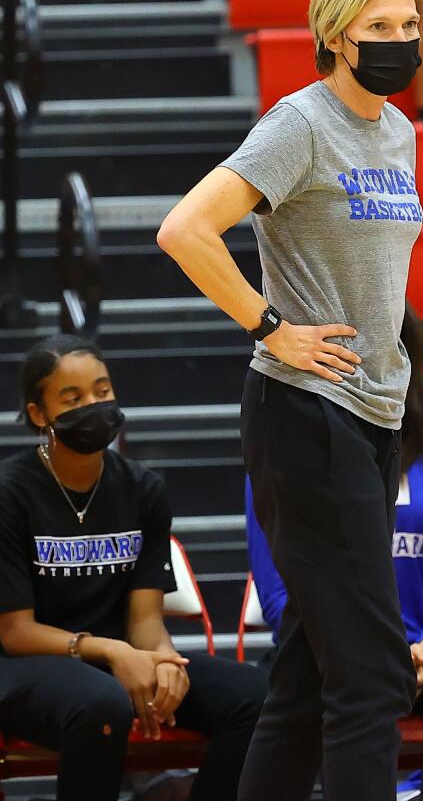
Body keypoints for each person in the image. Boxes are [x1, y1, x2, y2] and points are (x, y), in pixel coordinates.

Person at [157, 0, 422, 801]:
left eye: (410, 26)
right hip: (305, 411)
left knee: (311, 672)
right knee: (374, 674)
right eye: (380, 28)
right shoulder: (299, 123)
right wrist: (272, 326)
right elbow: (186, 228)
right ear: (335, 35)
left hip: (376, 413)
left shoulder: (399, 131)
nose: (399, 41)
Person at [246, 303, 423, 801]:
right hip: (327, 641)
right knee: (307, 685)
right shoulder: (290, 444)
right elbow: (277, 588)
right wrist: (364, 646)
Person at [0, 336, 268, 801]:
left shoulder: (143, 489)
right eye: (73, 398)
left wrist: (163, 659)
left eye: (102, 392)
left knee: (259, 699)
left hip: (117, 661)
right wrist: (110, 652)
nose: (94, 405)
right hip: (25, 666)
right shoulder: (11, 493)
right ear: (39, 415)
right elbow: (15, 632)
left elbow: (145, 621)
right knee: (101, 703)